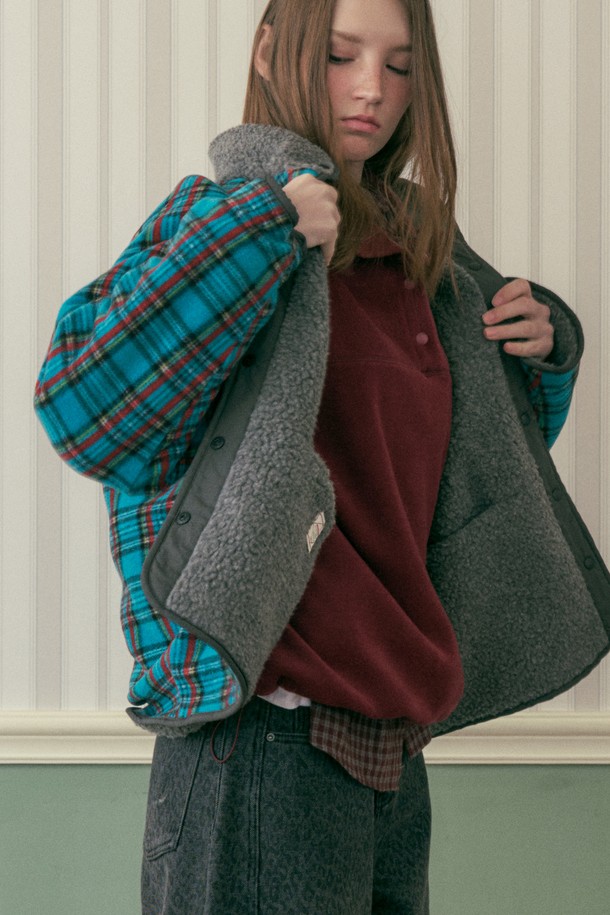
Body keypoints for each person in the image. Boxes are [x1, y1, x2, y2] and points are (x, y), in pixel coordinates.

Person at [34, 0, 610, 912]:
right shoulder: (216, 219)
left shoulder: (422, 251)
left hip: (390, 743)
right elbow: (83, 405)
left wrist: (543, 350)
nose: (372, 88)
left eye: (401, 65)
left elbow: (466, 475)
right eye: (343, 55)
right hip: (261, 736)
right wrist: (266, 225)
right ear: (271, 51)